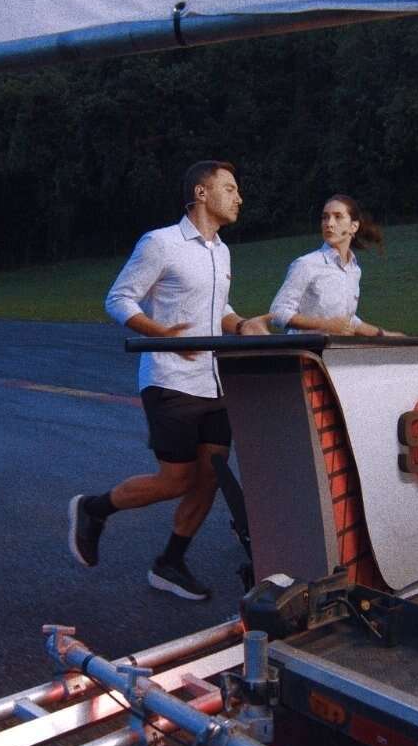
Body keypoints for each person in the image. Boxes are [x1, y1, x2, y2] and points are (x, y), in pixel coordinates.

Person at [69, 160, 269, 601]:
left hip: (215, 383)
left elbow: (217, 306)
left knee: (211, 476)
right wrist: (163, 336)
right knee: (177, 480)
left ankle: (170, 562)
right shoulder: (160, 243)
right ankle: (94, 508)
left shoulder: (221, 250)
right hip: (171, 380)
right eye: (230, 188)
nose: (239, 198)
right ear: (201, 193)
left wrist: (239, 326)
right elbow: (118, 298)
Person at [267, 194, 393, 336]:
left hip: (337, 354)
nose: (329, 223)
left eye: (338, 216)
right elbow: (277, 313)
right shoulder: (306, 265)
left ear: (354, 226)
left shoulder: (354, 270)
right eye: (325, 217)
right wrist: (325, 325)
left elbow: (347, 321)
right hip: (305, 354)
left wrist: (384, 334)